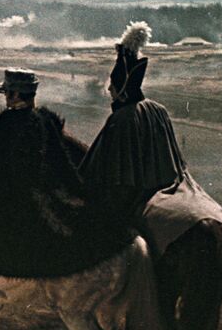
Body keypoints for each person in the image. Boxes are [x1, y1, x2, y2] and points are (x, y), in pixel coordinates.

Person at [0, 68, 137, 301]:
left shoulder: (10, 122)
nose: (5, 98)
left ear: (14, 95)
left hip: (10, 195)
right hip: (43, 191)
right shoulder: (45, 119)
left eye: (7, 93)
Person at [79, 22, 188, 227]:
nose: (110, 89)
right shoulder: (159, 109)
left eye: (114, 84)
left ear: (123, 89)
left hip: (135, 196)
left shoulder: (121, 119)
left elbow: (101, 170)